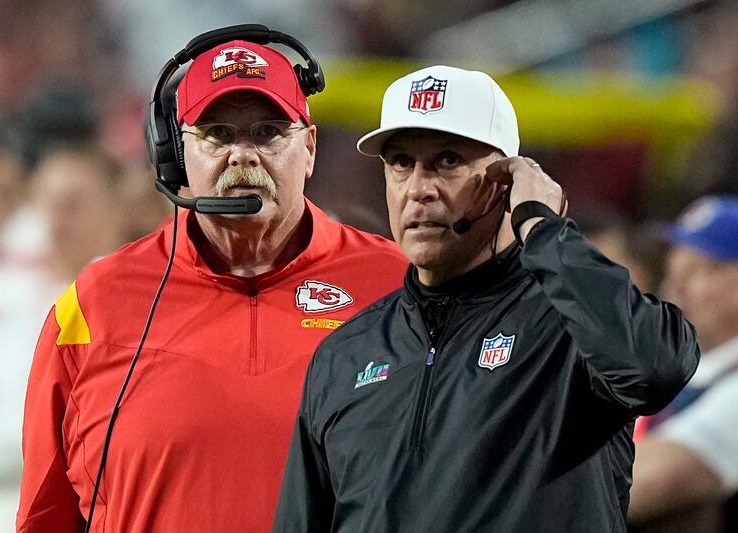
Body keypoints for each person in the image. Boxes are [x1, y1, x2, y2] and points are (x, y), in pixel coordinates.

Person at [273, 66, 700, 532]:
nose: (418, 189)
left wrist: (542, 228)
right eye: (401, 163)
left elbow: (655, 368)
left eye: (448, 161)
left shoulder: (569, 322)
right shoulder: (346, 353)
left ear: (507, 181)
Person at [16, 31, 408, 533]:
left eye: (268, 132)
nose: (243, 155)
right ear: (177, 155)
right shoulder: (92, 306)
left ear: (309, 148)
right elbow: (44, 518)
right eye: (218, 134)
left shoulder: (399, 286)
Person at [0, 142, 126, 533]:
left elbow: (65, 433)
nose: (56, 222)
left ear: (114, 208)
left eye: (73, 205)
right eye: (48, 204)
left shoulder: (132, 307)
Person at [629, 195, 738, 531]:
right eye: (674, 266)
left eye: (699, 269)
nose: (674, 284)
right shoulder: (662, 366)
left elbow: (650, 482)